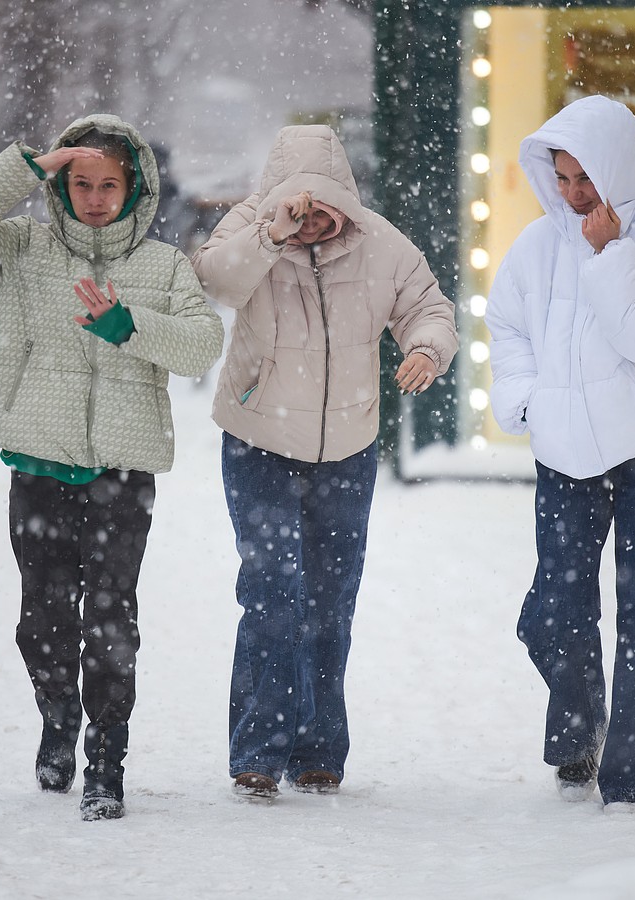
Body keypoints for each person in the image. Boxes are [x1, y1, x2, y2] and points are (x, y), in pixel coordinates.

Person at [0, 114, 224, 821]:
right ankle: (59, 715)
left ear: (135, 189)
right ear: (63, 187)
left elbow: (200, 346)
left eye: (109, 185)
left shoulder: (163, 266)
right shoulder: (23, 249)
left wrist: (128, 326)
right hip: (39, 466)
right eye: (82, 183)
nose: (96, 197)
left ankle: (106, 760)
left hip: (122, 477)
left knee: (111, 620)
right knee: (42, 621)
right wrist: (29, 166)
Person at [192, 124, 458, 800]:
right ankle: (257, 749)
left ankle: (318, 750)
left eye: (321, 212)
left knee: (330, 602)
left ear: (345, 199)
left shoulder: (382, 244)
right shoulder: (250, 230)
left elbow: (429, 305)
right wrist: (270, 233)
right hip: (258, 442)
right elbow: (214, 281)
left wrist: (426, 346)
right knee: (274, 593)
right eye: (298, 210)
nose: (310, 224)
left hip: (346, 450)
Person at [485, 95, 635, 811]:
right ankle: (581, 731)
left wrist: (612, 254)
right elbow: (508, 325)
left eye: (587, 177)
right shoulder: (536, 243)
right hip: (566, 449)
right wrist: (526, 399)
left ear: (616, 168)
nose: (576, 193)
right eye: (565, 177)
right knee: (555, 608)